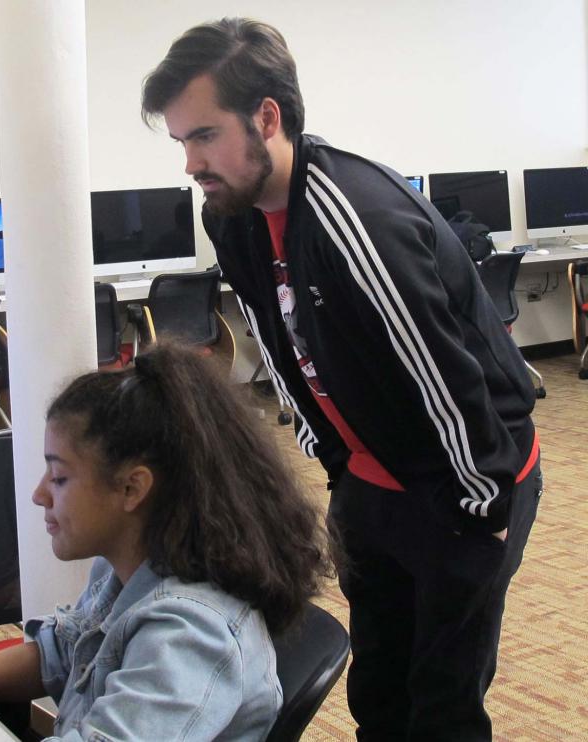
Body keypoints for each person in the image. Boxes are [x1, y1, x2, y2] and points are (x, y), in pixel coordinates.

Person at [141, 18, 542, 741]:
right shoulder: (230, 215)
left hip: (466, 479)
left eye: (203, 136)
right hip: (370, 481)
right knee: (380, 696)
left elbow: (444, 375)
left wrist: (482, 509)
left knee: (443, 702)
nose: (191, 162)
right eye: (181, 143)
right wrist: (339, 470)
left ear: (267, 117)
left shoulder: (359, 219)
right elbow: (279, 343)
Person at [0, 343, 332, 742]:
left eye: (60, 477)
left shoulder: (191, 636)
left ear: (132, 488)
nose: (39, 494)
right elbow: (60, 651)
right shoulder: (127, 568)